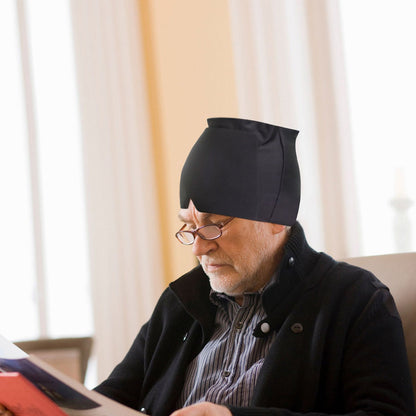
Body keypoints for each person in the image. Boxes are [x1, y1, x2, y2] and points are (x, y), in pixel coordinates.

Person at [1, 118, 414, 416]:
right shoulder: (181, 303)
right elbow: (109, 401)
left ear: (277, 220)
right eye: (189, 226)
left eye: (215, 225)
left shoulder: (355, 302)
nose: (198, 247)